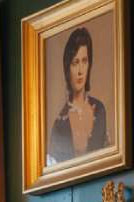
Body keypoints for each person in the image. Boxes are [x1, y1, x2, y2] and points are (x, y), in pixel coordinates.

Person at [48, 26, 108, 165]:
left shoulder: (99, 110)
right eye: (75, 63)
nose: (81, 70)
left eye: (84, 61)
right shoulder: (59, 126)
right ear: (67, 68)